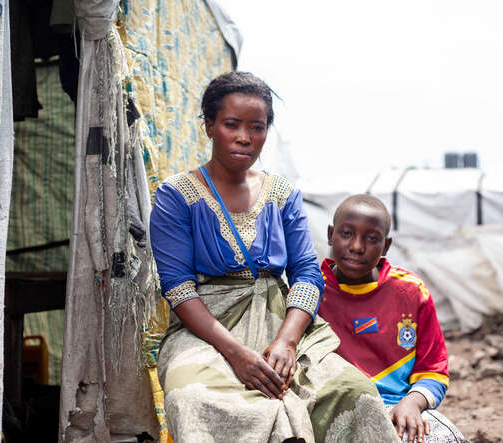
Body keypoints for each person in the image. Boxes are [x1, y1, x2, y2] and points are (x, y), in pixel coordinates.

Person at [149, 72, 400, 442]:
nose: (244, 137)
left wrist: (286, 342)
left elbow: (307, 276)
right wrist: (236, 354)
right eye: (231, 124)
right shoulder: (176, 195)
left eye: (257, 127)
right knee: (192, 397)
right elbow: (179, 288)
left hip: (281, 324)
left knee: (354, 393)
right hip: (208, 332)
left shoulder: (282, 193)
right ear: (208, 126)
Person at [317, 194, 469, 443]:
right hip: (333, 411)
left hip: (396, 409)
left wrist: (412, 402)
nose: (356, 246)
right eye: (346, 234)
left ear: (386, 246)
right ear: (330, 234)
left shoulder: (410, 292)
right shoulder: (311, 290)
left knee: (444, 439)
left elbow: (433, 369)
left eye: (371, 238)